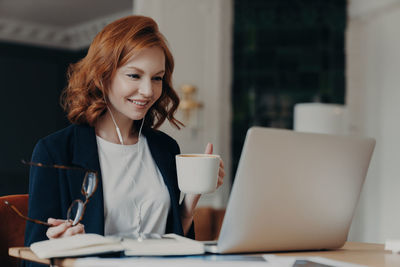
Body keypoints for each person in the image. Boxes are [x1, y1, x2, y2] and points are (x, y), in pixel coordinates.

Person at [24, 15, 225, 255]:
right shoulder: (55, 151)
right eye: (134, 75)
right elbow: (30, 258)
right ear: (103, 75)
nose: (148, 91)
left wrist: (190, 201)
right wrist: (62, 247)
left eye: (157, 78)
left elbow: (172, 245)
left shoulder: (166, 148)